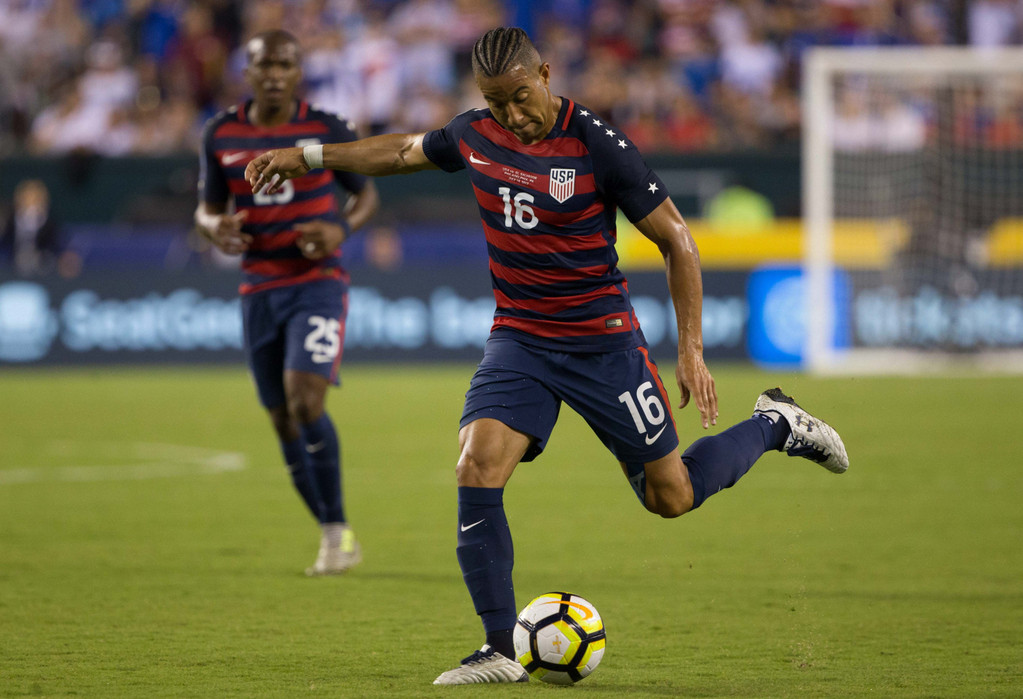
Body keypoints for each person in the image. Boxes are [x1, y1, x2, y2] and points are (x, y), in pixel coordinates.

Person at [246, 27, 848, 683]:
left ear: (546, 74)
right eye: (495, 101)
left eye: (519, 96)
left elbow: (677, 239)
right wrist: (309, 155)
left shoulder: (595, 143)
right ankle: (498, 648)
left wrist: (692, 349)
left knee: (671, 495)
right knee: (476, 464)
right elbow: (398, 151)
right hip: (521, 338)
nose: (511, 113)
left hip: (602, 343)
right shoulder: (474, 134)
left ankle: (775, 423)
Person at [195, 30, 379, 576]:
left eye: (284, 65)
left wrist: (339, 229)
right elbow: (206, 208)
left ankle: (337, 532)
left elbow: (365, 193)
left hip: (317, 279)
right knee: (281, 418)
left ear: (299, 72)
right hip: (258, 285)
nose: (274, 74)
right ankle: (331, 529)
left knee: (306, 401)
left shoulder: (326, 127)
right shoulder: (220, 132)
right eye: (264, 65)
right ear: (247, 72)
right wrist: (213, 227)